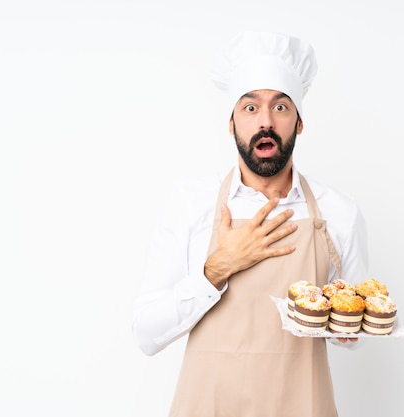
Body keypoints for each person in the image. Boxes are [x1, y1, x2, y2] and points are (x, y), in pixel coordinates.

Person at [132, 30, 370, 417]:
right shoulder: (191, 203)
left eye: (280, 107)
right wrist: (215, 270)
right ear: (231, 123)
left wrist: (347, 327)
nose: (265, 122)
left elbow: (355, 334)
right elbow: (145, 334)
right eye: (250, 108)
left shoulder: (338, 211)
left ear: (300, 122)